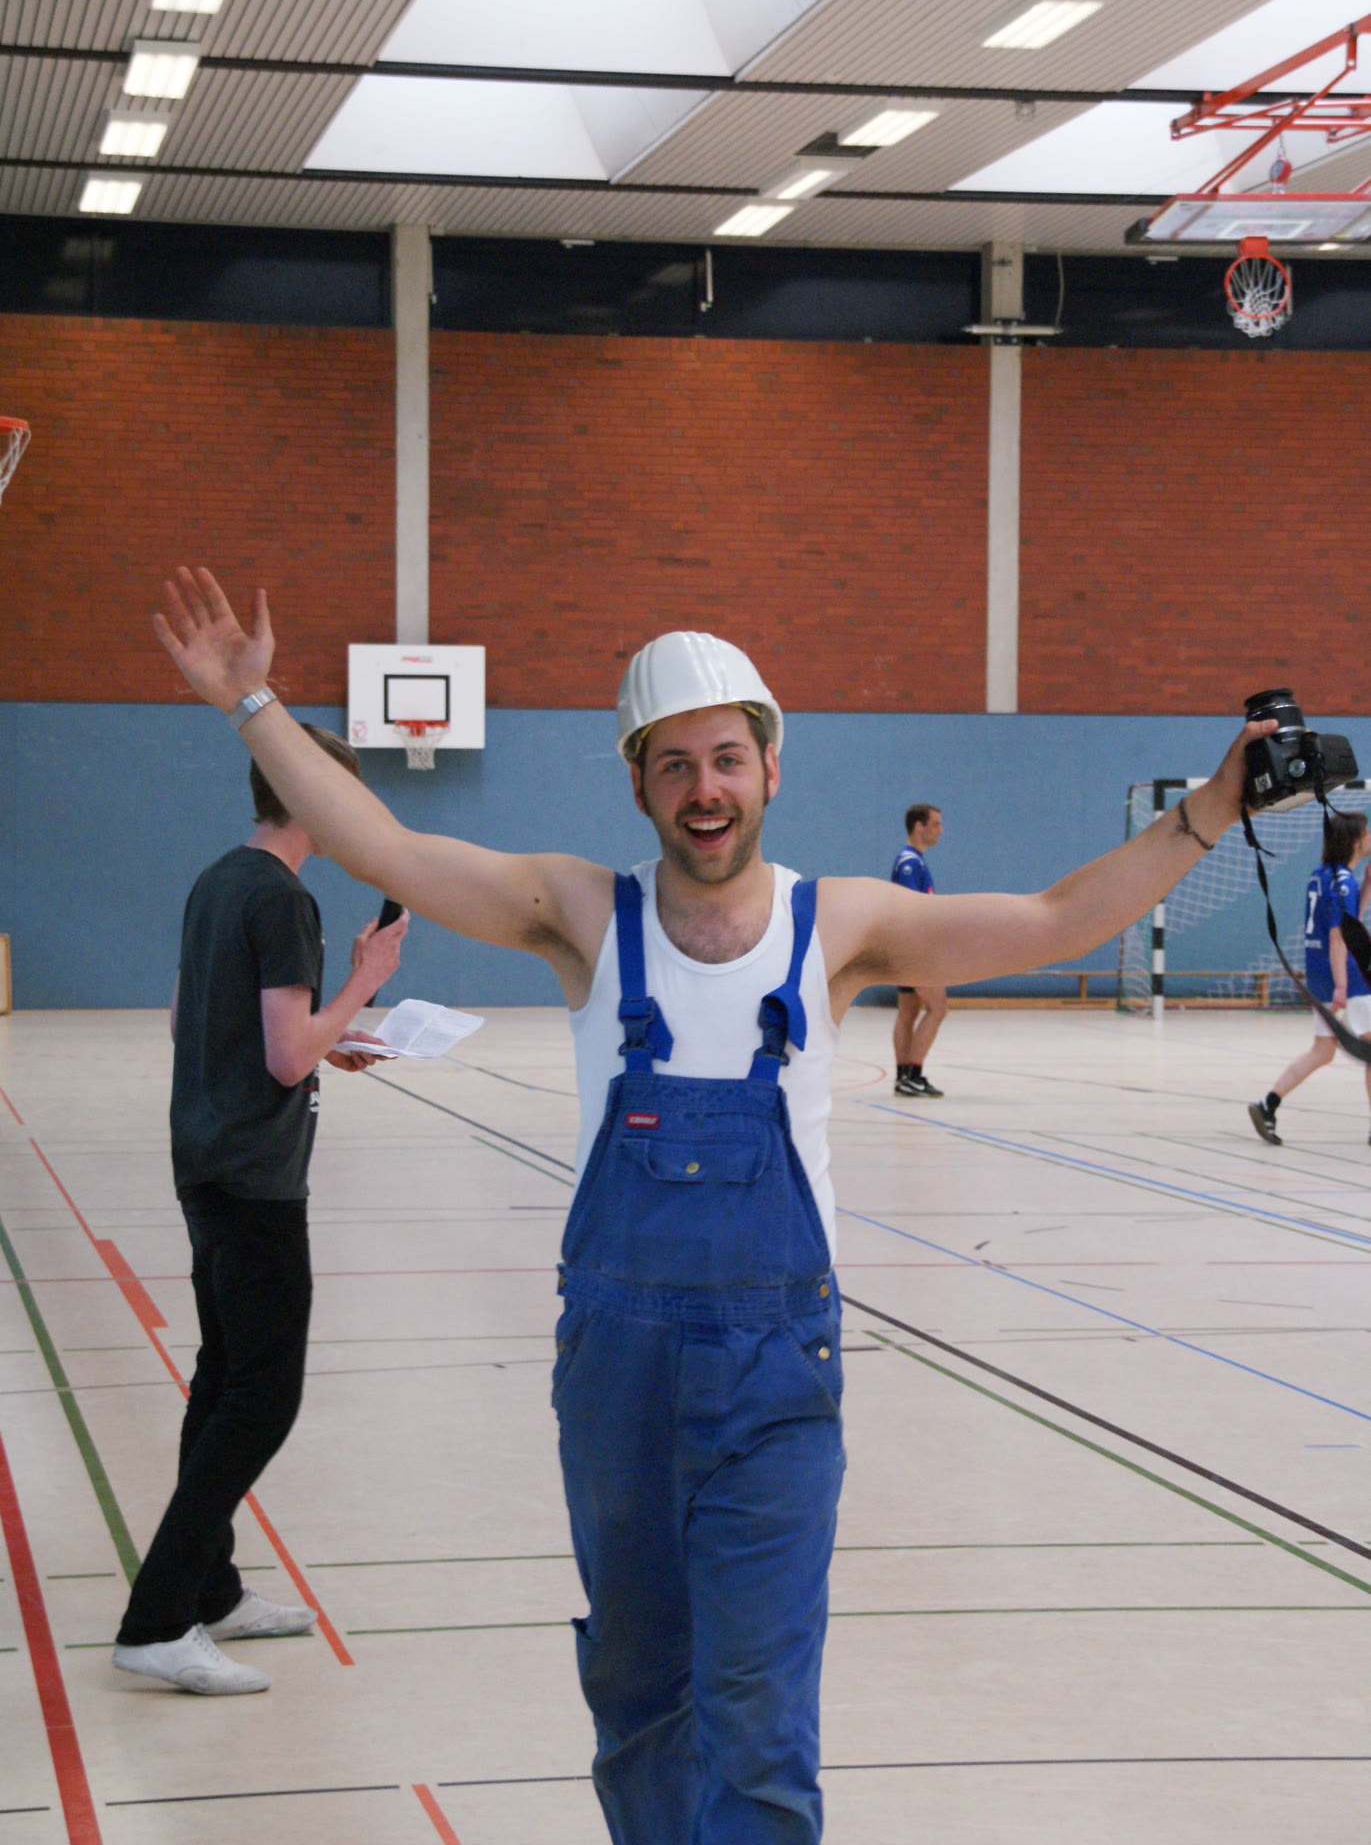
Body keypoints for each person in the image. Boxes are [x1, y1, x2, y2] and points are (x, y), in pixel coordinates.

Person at [150, 570, 1271, 1836]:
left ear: (771, 768)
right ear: (638, 783)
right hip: (616, 1374)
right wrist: (252, 703)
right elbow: (385, 848)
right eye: (675, 762)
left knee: (759, 1715)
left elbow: (1056, 919)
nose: (705, 788)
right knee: (638, 1696)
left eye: (728, 757)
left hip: (774, 1376)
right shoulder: (581, 913)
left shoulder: (837, 924)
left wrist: (1210, 811)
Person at [112, 725, 409, 1697]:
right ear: (315, 799)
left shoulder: (218, 880)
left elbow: (190, 1020)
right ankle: (158, 1619)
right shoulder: (285, 898)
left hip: (205, 1164)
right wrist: (364, 978)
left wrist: (331, 1037)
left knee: (222, 1377)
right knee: (261, 1397)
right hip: (255, 1180)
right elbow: (284, 1059)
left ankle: (212, 1588)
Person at [1247, 809, 1371, 1148]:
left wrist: (1367, 885)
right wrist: (1342, 986)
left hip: (1318, 975)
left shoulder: (1322, 875)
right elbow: (1338, 937)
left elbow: (1347, 923)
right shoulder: (1343, 882)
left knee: (1322, 1050)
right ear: (1357, 842)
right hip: (1347, 977)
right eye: (1367, 833)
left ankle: (1268, 1103)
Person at [890, 802, 947, 1097]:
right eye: (935, 824)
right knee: (937, 1008)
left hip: (905, 949)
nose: (940, 830)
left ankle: (904, 1078)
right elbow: (912, 910)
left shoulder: (913, 861)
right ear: (918, 826)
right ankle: (913, 1074)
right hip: (914, 950)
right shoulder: (910, 864)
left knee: (908, 1011)